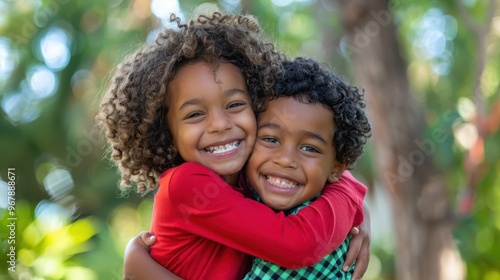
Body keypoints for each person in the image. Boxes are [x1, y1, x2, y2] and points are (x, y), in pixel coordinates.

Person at [97, 12, 368, 280]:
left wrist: (360, 215)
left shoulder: (249, 179)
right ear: (166, 132)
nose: (220, 124)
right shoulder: (186, 184)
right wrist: (352, 195)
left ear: (256, 106)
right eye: (194, 114)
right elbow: (297, 244)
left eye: (235, 105)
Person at [242, 57, 371, 279]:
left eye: (309, 148)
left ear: (336, 168)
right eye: (271, 140)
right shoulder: (247, 186)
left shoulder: (319, 233)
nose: (285, 160)